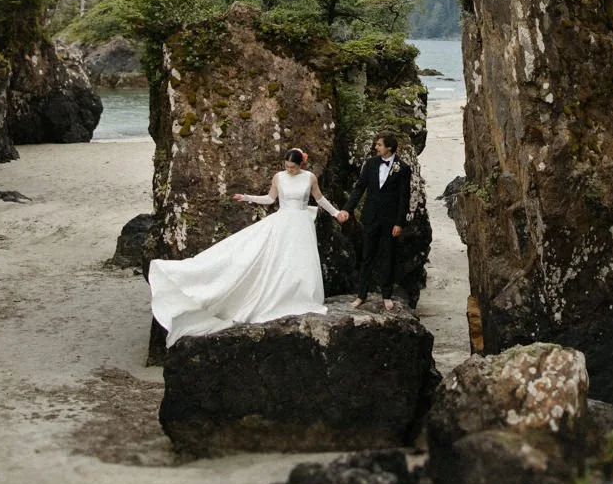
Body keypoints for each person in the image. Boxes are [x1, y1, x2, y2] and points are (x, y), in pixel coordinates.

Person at [146, 148, 350, 344]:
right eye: (286, 166)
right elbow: (270, 199)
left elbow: (320, 199)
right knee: (274, 258)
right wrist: (247, 198)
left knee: (300, 261)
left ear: (300, 165)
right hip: (283, 221)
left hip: (301, 224)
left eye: (293, 167)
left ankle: (299, 295)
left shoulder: (309, 178)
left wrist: (335, 213)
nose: (289, 170)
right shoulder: (279, 177)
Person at [344, 132, 413, 309]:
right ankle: (361, 295)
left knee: (388, 256)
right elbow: (359, 188)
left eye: (379, 144)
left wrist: (399, 223)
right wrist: (347, 209)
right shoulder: (371, 164)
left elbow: (404, 197)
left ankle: (387, 295)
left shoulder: (402, 168)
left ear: (389, 147)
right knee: (366, 255)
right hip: (371, 217)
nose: (376, 147)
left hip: (390, 220)